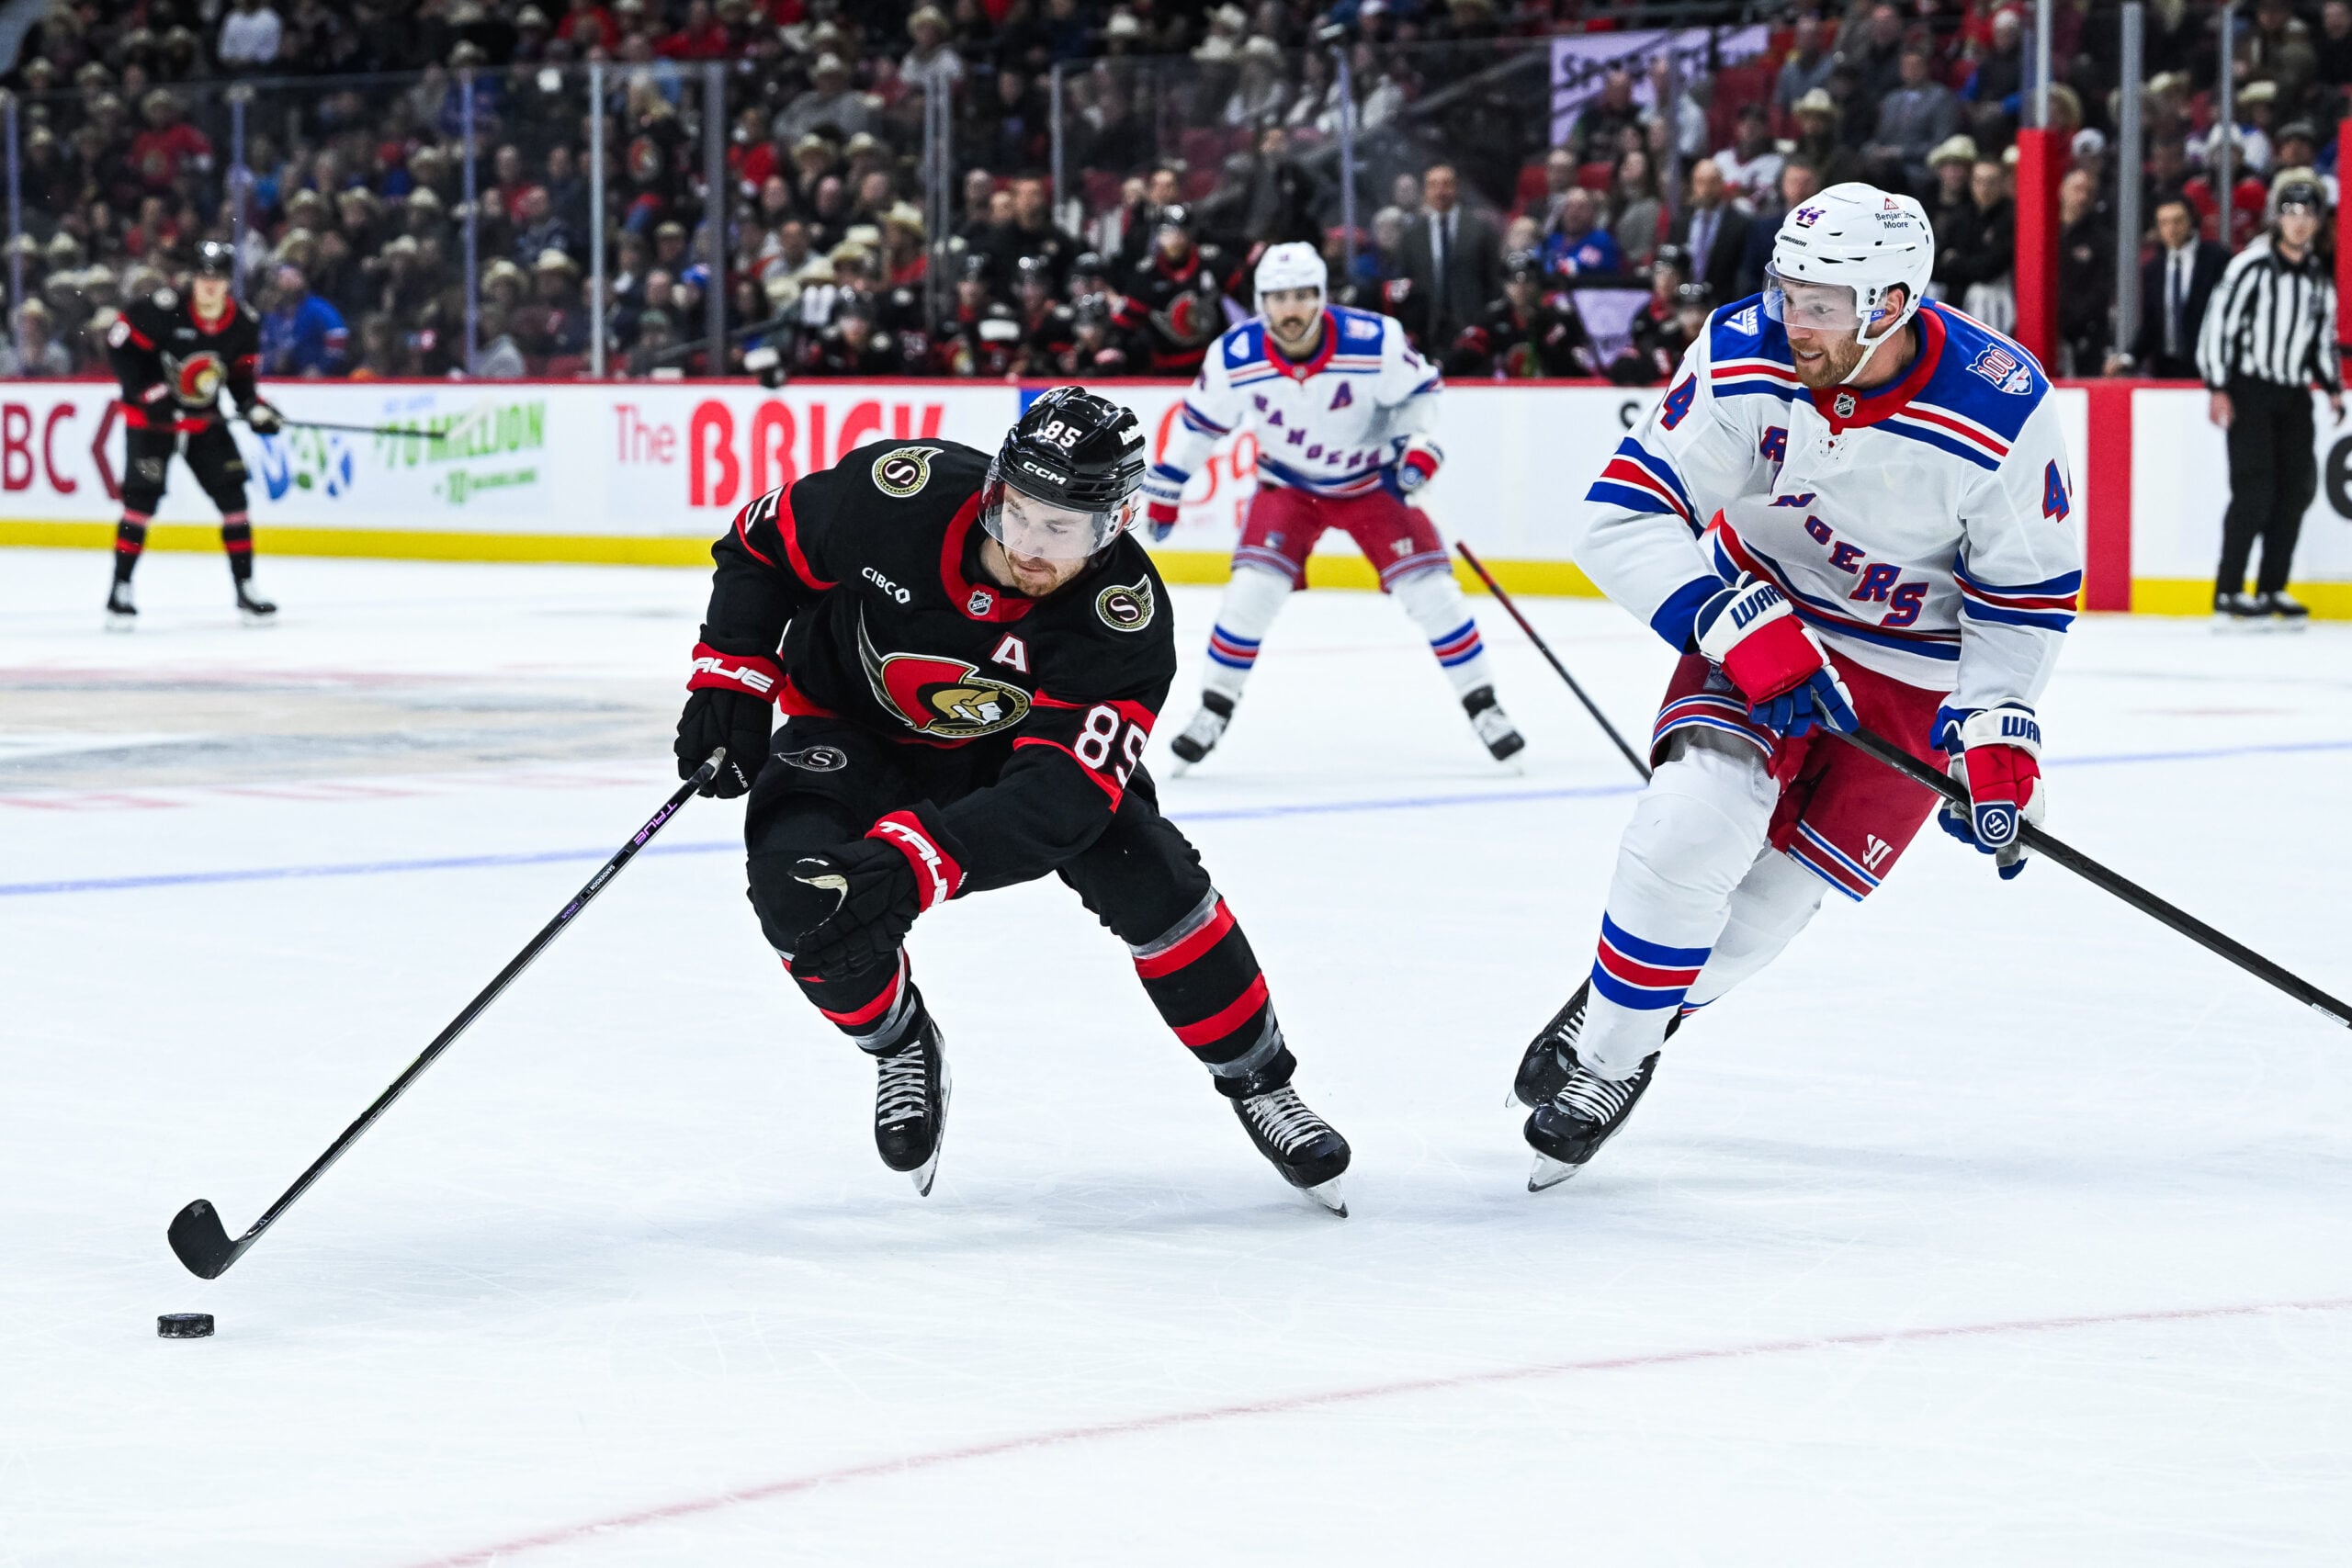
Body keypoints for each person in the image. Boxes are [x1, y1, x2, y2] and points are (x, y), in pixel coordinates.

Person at [1511, 183, 2078, 1189]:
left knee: (1763, 912)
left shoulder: (2002, 402)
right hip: (1762, 613)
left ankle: (1637, 1003)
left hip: (1912, 668)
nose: (1791, 321)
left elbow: (2024, 596)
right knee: (1692, 825)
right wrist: (1731, 623)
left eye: (1821, 304)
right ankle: (1608, 1059)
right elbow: (1621, 521)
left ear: (1892, 304)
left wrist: (1993, 737)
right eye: (1785, 291)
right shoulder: (1742, 352)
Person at [669, 388, 1352, 1213]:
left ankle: (1257, 1079)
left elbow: (1061, 795)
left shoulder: (1122, 623)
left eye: (1062, 527)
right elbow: (761, 543)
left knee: (1150, 874)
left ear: (1116, 522)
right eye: (1017, 510)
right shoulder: (900, 491)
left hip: (1014, 762)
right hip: (851, 728)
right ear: (994, 485)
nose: (1029, 543)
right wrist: (732, 672)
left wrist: (921, 861)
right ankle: (899, 1041)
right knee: (796, 892)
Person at [1142, 243, 1525, 769]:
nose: (1291, 310)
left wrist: (1418, 444)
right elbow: (1198, 427)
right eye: (1278, 298)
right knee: (1249, 595)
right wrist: (1169, 486)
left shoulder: (1373, 342)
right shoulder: (1236, 355)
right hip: (1288, 486)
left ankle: (1485, 705)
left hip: (1373, 482)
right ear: (1260, 303)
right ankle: (1213, 708)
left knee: (1432, 593)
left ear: (1322, 297)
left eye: (1303, 296)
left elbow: (1422, 396)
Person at [102, 240, 283, 627]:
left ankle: (246, 588)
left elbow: (239, 378)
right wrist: (150, 392)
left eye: (218, 277)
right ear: (193, 278)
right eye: (203, 276)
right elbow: (120, 345)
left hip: (203, 421)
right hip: (152, 423)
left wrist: (254, 408)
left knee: (234, 498)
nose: (210, 285)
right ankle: (121, 589)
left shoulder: (243, 323)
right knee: (140, 504)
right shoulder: (163, 310)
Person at [2197, 174, 2343, 625]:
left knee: (2295, 490)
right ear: (2277, 217)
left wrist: (2333, 388)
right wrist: (2218, 386)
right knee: (2253, 490)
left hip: (2294, 392)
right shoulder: (2251, 266)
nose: (2299, 223)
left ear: (2319, 222)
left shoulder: (2318, 279)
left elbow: (2322, 340)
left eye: (2308, 214)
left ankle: (2273, 587)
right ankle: (2229, 590)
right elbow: (2217, 325)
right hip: (2250, 389)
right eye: (2291, 213)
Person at [1400, 164, 1503, 350]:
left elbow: (1493, 282)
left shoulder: (1480, 230)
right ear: (1425, 191)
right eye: (1433, 185)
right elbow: (1406, 283)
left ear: (1456, 187)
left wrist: (1485, 324)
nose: (1440, 191)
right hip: (1427, 332)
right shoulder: (1411, 236)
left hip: (1471, 327)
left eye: (1446, 184)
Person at [2126, 197, 2228, 379]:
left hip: (2207, 369)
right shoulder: (2154, 269)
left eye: (2178, 221)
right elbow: (2152, 324)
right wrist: (2129, 357)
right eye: (2164, 223)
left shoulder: (2217, 259)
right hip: (2166, 371)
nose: (2171, 229)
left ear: (2192, 221)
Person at [1669, 158, 1751, 303]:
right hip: (1685, 304)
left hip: (1722, 303)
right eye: (1700, 182)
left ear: (1722, 183)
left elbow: (1743, 274)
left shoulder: (1740, 224)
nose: (1706, 189)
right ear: (1693, 185)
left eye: (1712, 181)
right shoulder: (1681, 221)